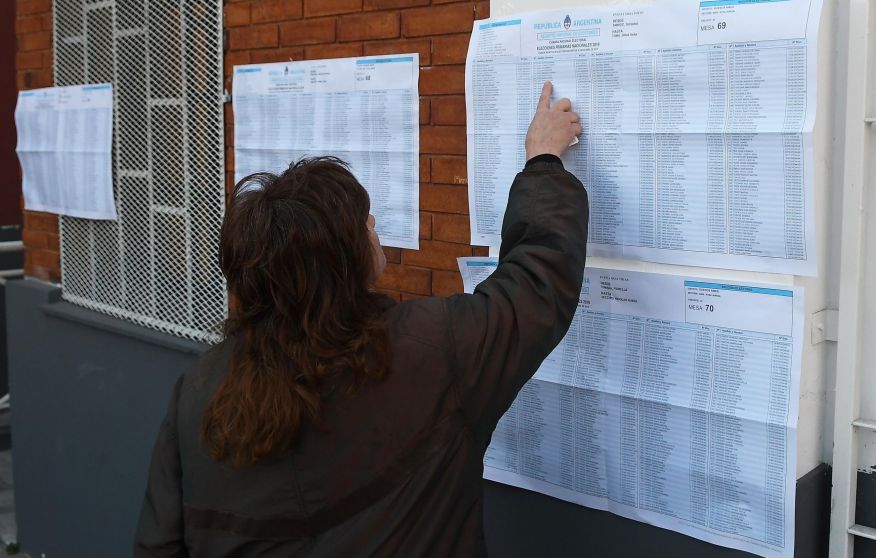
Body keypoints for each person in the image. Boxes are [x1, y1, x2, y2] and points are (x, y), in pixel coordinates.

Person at [134, 81, 588, 557]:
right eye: (365, 222)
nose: (374, 227)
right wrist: (543, 162)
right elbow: (536, 286)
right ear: (344, 260)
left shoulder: (200, 392)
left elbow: (159, 546)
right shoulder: (431, 352)